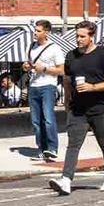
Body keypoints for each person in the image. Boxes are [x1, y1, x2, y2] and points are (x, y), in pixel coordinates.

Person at [48, 21, 104, 195]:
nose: (78, 39)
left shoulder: (102, 55)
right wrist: (67, 101)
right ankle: (66, 179)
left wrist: (93, 87)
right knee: (73, 144)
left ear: (91, 36)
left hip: (100, 106)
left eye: (82, 36)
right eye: (77, 36)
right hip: (78, 108)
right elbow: (67, 79)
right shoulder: (71, 55)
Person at [24, 19, 64, 162]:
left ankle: (52, 148)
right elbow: (28, 64)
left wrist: (45, 69)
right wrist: (27, 67)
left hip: (48, 85)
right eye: (35, 30)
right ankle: (41, 149)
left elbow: (62, 70)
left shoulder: (54, 48)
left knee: (48, 118)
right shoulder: (31, 47)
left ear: (47, 32)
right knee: (36, 121)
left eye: (39, 31)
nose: (35, 33)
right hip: (33, 85)